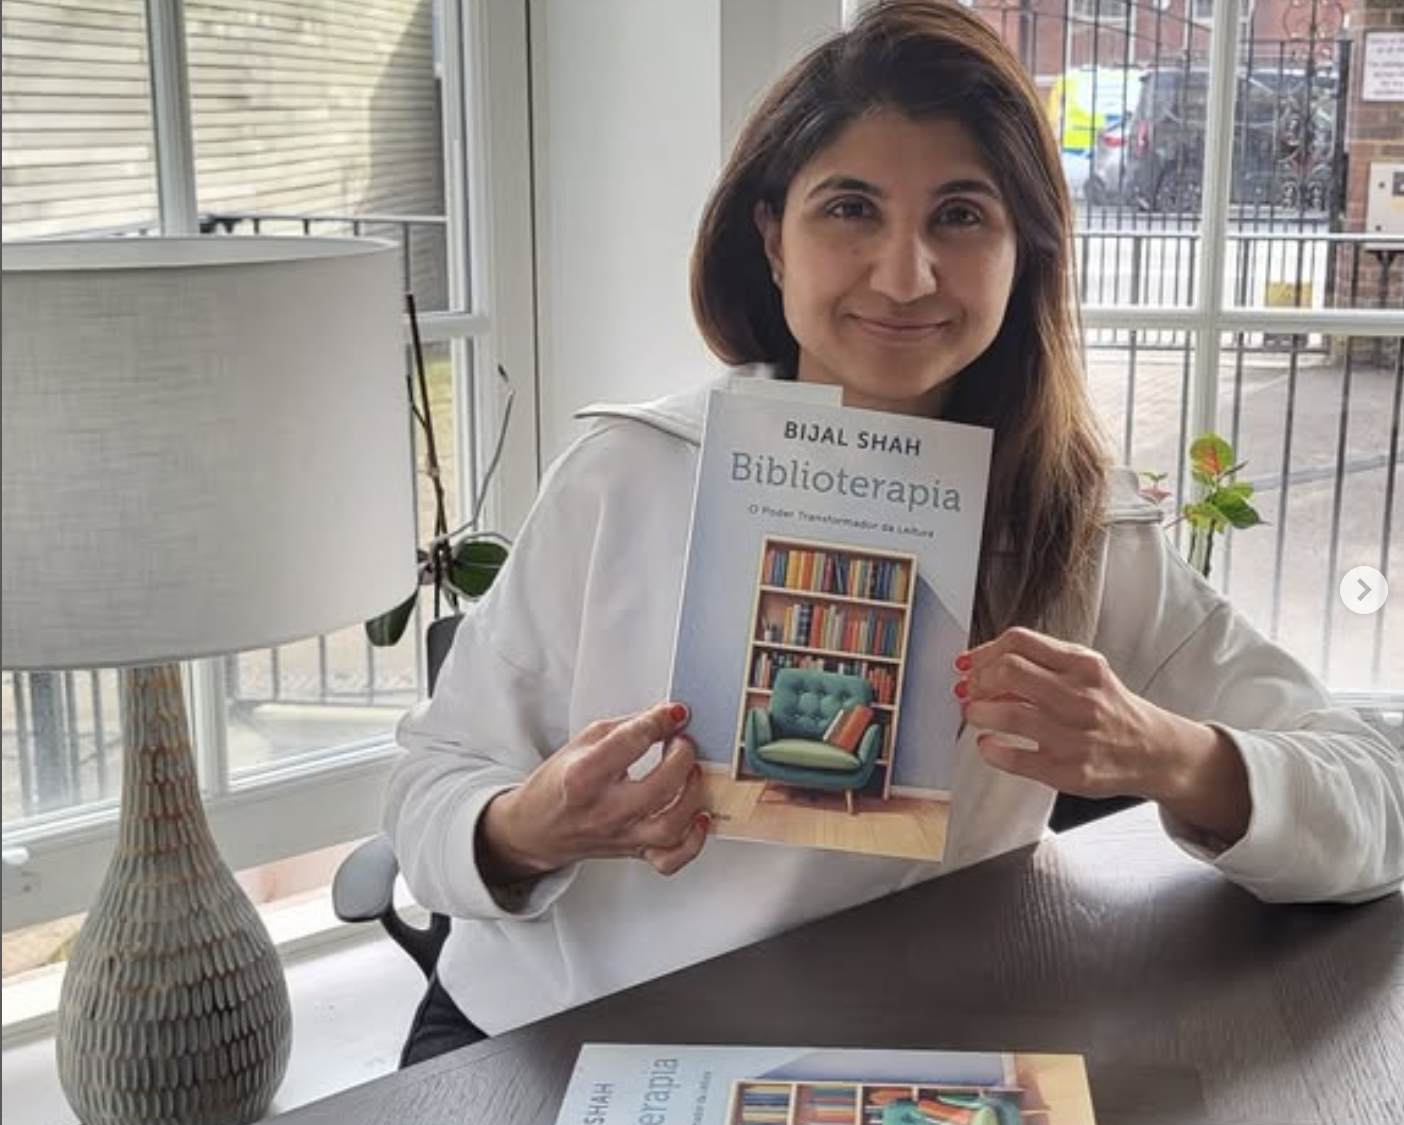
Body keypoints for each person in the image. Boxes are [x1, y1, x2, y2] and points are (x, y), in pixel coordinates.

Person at [386, 0, 1404, 1065]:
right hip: (555, 1034)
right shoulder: (624, 474)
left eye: (961, 215)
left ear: (1025, 251)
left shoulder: (1071, 523)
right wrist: (526, 827)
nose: (905, 274)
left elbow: (1373, 796)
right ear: (772, 238)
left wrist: (1164, 750)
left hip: (887, 1069)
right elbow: (428, 781)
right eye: (850, 209)